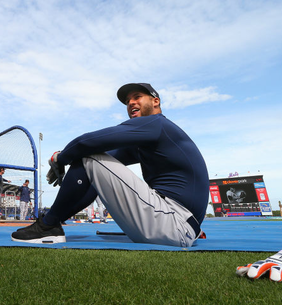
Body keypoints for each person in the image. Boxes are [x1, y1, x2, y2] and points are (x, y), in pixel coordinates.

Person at [12, 83, 209, 247]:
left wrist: (60, 159)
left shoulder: (156, 124)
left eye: (137, 96)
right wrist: (68, 158)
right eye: (127, 101)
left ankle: (48, 225)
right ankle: (52, 222)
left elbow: (86, 143)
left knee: (88, 155)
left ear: (155, 101)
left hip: (173, 224)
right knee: (92, 161)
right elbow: (97, 169)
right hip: (175, 223)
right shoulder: (149, 141)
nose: (131, 102)